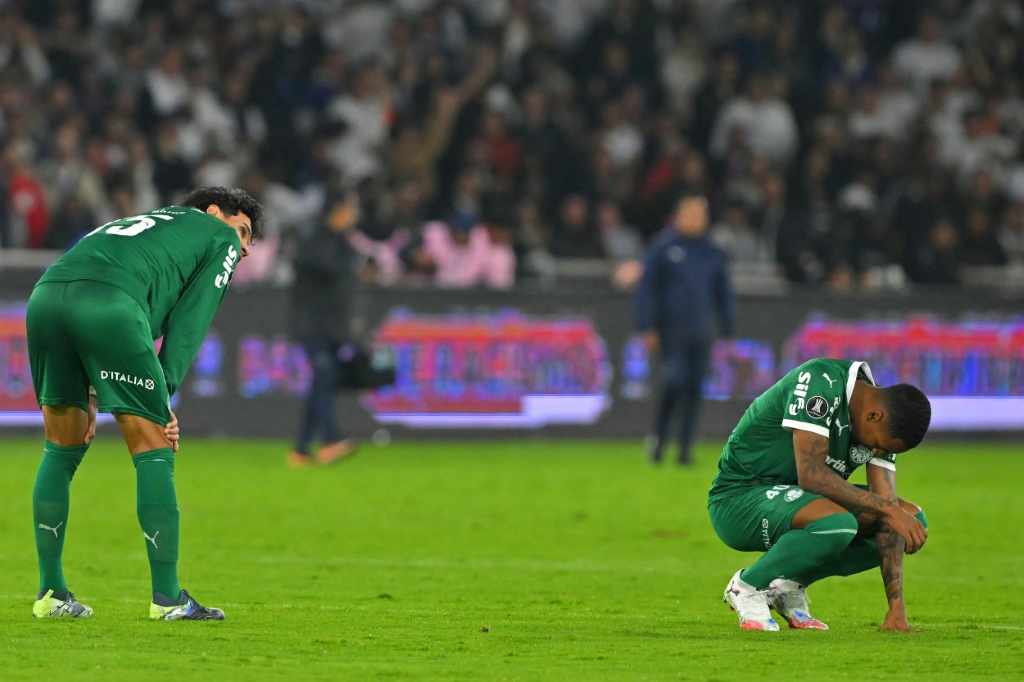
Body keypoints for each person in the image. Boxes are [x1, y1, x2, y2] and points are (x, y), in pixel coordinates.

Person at [26, 186, 263, 620]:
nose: (243, 248)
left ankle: (51, 593)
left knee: (61, 449)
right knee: (154, 448)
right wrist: (162, 395)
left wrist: (93, 391)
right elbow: (192, 322)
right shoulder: (217, 235)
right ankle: (168, 600)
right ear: (214, 212)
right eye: (244, 232)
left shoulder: (146, 222)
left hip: (45, 298)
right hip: (110, 305)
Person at [709, 358, 931, 632]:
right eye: (878, 446)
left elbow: (888, 510)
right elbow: (811, 475)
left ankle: (786, 586)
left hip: (797, 502)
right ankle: (747, 585)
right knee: (840, 522)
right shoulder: (820, 382)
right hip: (738, 499)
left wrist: (896, 611)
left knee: (911, 519)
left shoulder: (881, 418)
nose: (876, 453)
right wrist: (889, 510)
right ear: (874, 416)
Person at [635, 192, 734, 465]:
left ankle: (685, 449)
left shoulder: (712, 253)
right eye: (690, 213)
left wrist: (728, 328)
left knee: (694, 388)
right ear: (678, 216)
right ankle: (658, 438)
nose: (696, 219)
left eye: (700, 214)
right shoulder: (663, 248)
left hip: (701, 330)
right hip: (671, 331)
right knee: (673, 382)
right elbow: (647, 289)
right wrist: (647, 326)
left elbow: (722, 293)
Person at [286, 192, 360, 467]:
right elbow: (324, 267)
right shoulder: (316, 240)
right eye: (349, 210)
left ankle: (301, 450)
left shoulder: (339, 241)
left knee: (322, 381)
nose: (353, 216)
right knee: (325, 374)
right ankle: (331, 441)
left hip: (331, 325)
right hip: (312, 323)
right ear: (336, 212)